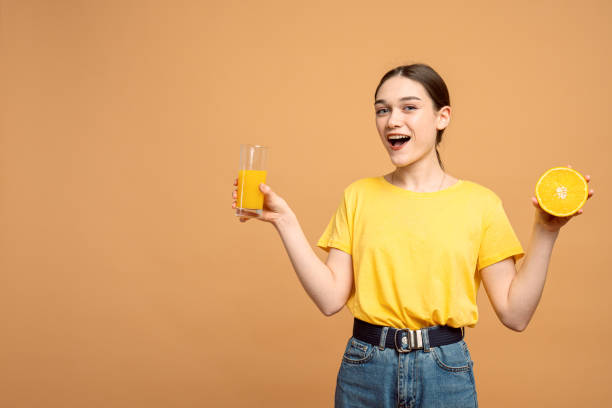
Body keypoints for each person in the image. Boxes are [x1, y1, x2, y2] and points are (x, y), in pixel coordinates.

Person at [231, 63, 594, 408]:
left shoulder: (480, 203)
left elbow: (516, 315)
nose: (393, 121)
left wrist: (546, 231)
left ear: (442, 117)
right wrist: (286, 222)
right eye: (382, 110)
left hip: (445, 371)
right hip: (365, 368)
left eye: (409, 107)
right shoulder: (359, 195)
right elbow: (329, 300)